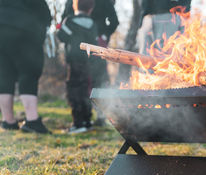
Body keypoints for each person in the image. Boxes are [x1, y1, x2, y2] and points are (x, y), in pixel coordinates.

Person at [62, 0, 119, 126]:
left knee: (96, 81)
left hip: (93, 46)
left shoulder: (104, 3)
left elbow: (114, 20)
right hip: (83, 48)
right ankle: (85, 118)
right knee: (90, 82)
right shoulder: (71, 3)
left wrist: (104, 35)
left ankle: (99, 116)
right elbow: (64, 18)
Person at [0, 0, 52, 134]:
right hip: (25, 30)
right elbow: (44, 13)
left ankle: (8, 121)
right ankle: (32, 121)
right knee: (29, 73)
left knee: (4, 76)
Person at [58, 0, 99, 134]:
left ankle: (78, 123)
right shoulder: (93, 23)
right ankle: (87, 120)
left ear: (75, 5)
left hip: (74, 61)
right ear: (91, 8)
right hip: (88, 63)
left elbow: (61, 36)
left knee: (74, 91)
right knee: (86, 89)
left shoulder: (69, 20)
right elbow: (94, 42)